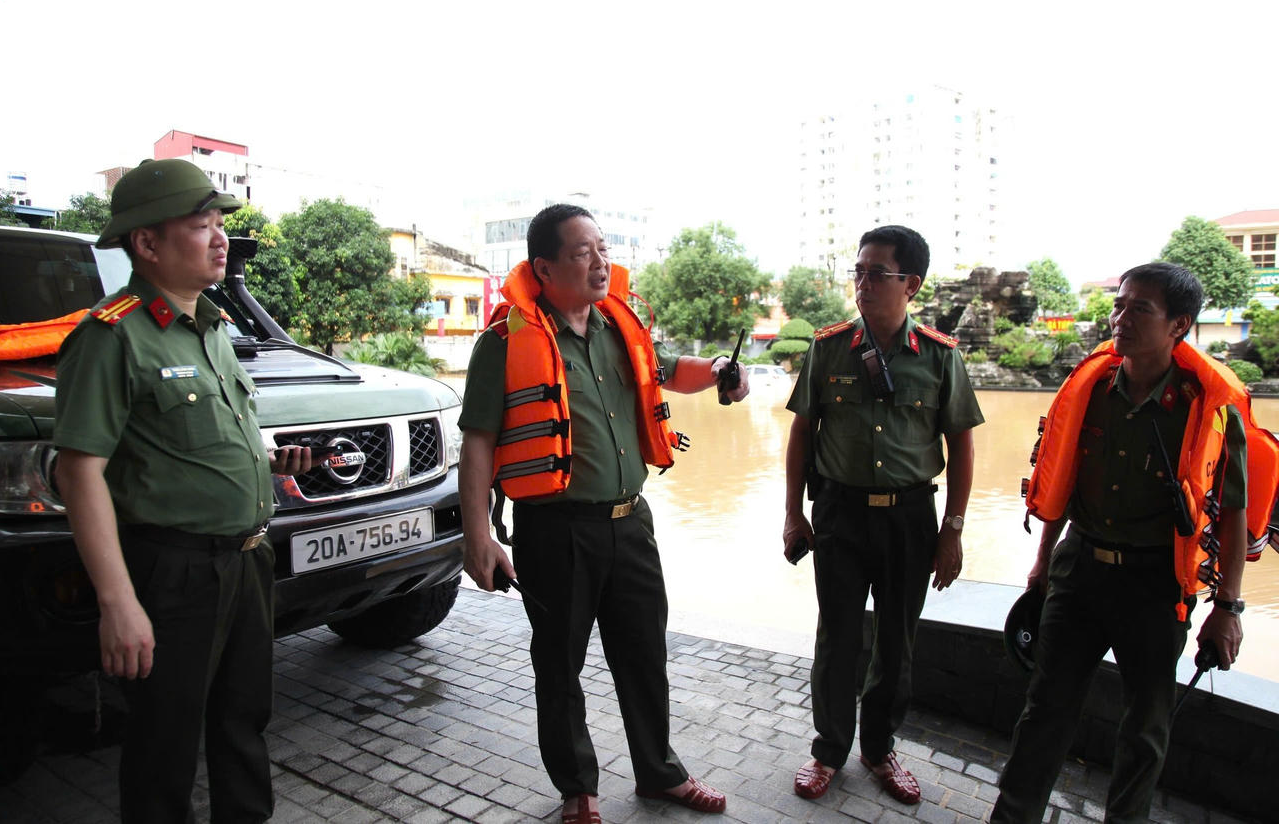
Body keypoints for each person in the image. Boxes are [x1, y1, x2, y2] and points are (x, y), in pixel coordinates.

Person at [459, 204, 748, 824]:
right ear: (544, 266)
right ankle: (578, 790)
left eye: (603, 248)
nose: (601, 261)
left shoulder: (623, 328)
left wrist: (722, 369)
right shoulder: (505, 342)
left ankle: (659, 773)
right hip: (554, 530)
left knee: (644, 654)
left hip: (630, 523)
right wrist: (477, 536)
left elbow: (669, 372)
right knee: (559, 663)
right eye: (584, 251)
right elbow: (478, 440)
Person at [53, 159, 312, 823]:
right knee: (164, 747)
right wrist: (119, 603)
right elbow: (78, 472)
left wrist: (273, 460)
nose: (221, 238)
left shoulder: (213, 330)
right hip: (172, 573)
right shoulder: (112, 336)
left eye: (221, 223)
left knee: (243, 724)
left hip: (246, 561)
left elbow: (207, 438)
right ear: (147, 243)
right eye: (202, 225)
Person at [991, 262, 1274, 823]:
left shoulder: (1209, 407)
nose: (1119, 319)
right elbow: (1060, 482)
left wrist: (1228, 609)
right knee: (1045, 709)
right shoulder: (1090, 387)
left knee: (1145, 727)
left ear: (1179, 325)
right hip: (1080, 572)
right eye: (1119, 306)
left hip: (1156, 586)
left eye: (1138, 309)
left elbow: (1235, 509)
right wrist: (1043, 563)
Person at [782, 225, 983, 806]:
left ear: (911, 284)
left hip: (910, 518)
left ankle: (879, 747)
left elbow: (963, 446)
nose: (863, 284)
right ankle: (828, 750)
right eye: (859, 271)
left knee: (897, 640)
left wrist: (953, 529)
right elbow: (801, 432)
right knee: (837, 638)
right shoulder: (829, 346)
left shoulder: (941, 358)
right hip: (840, 514)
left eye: (877, 273)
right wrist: (794, 512)